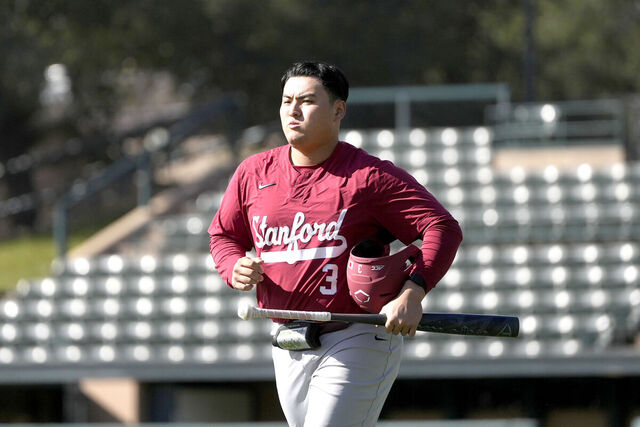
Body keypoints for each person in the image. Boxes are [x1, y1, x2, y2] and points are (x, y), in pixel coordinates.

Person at [208, 61, 462, 426]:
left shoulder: (369, 176)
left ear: (338, 110)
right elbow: (224, 235)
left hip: (357, 336)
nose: (293, 110)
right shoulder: (253, 172)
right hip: (289, 340)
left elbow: (442, 227)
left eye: (307, 101)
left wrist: (412, 293)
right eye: (286, 101)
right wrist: (232, 265)